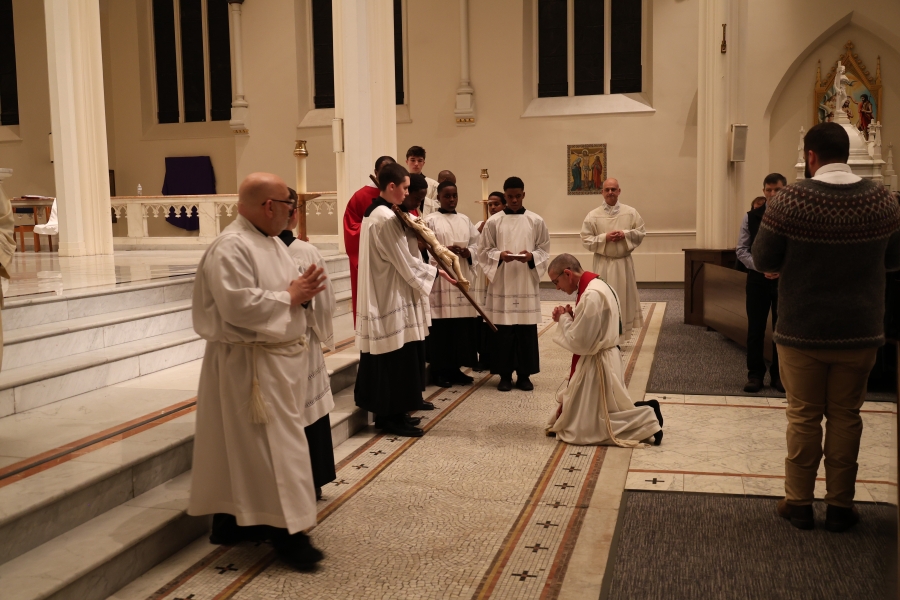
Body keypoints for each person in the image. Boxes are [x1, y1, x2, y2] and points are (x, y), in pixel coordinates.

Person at [753, 122, 900, 532]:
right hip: (860, 332)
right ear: (848, 154)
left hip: (802, 330)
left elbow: (763, 259)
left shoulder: (790, 199)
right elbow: (893, 261)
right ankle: (840, 507)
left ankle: (798, 503)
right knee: (846, 417)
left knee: (803, 417)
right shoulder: (883, 200)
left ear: (810, 157)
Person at [189, 172, 328, 570]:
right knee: (278, 451)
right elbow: (237, 305)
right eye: (289, 205)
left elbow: (285, 291)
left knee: (248, 449)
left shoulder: (268, 242)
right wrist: (291, 295)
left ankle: (234, 523)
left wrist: (301, 291)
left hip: (272, 362)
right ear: (270, 206)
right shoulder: (230, 247)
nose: (291, 214)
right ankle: (290, 536)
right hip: (250, 367)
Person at [355, 162, 456, 437]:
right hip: (388, 294)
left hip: (391, 289)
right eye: (405, 188)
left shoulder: (380, 212)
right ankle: (389, 418)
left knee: (400, 356)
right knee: (392, 358)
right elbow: (405, 262)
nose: (406, 193)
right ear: (391, 186)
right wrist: (437, 273)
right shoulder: (384, 219)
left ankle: (398, 412)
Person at [546, 254, 662, 446]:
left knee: (585, 429)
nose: (557, 287)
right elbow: (593, 329)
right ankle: (645, 410)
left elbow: (581, 342)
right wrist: (573, 317)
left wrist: (564, 319)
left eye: (556, 282)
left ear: (567, 273)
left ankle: (647, 420)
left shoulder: (591, 295)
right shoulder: (599, 285)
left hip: (597, 364)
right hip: (605, 356)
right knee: (600, 412)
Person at [277, 195, 337, 501]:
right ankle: (313, 479)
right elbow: (323, 302)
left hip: (272, 347)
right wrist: (324, 333)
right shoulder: (306, 251)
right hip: (302, 343)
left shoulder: (260, 250)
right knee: (309, 412)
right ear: (294, 215)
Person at [477, 176, 550, 392]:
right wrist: (500, 255)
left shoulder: (535, 221)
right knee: (504, 331)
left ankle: (525, 375)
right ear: (505, 195)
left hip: (526, 282)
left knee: (525, 331)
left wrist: (531, 257)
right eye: (510, 197)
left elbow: (544, 249)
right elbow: (484, 251)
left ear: (524, 194)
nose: (514, 200)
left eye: (518, 196)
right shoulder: (494, 221)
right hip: (503, 283)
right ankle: (505, 376)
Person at [423, 181, 480, 387]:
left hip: (460, 277)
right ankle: (440, 371)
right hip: (442, 283)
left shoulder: (465, 220)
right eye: (447, 196)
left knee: (460, 329)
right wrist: (443, 250)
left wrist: (468, 252)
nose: (451, 199)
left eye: (454, 195)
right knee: (442, 330)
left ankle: (456, 370)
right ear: (438, 197)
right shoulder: (430, 221)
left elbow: (477, 245)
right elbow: (425, 249)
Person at [736, 173, 787, 394]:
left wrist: (781, 269)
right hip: (757, 280)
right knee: (755, 329)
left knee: (781, 330)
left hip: (783, 281)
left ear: (784, 190)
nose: (772, 194)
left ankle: (779, 376)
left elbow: (797, 249)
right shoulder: (751, 217)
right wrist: (762, 267)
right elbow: (741, 250)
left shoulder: (793, 216)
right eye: (768, 189)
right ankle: (755, 375)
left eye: (777, 189)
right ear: (764, 191)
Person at [579, 178, 645, 345]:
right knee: (604, 300)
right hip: (604, 263)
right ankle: (606, 336)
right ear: (602, 192)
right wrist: (605, 238)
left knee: (623, 299)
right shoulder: (593, 215)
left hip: (623, 264)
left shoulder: (630, 212)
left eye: (613, 189)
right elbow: (585, 239)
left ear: (619, 191)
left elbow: (641, 232)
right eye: (607, 190)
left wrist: (626, 235)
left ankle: (620, 337)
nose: (610, 193)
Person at [343, 155, 396, 324]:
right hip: (370, 258)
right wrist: (376, 228)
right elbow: (351, 229)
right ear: (375, 172)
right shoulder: (360, 197)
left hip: (395, 258)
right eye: (383, 171)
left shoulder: (399, 194)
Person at [471, 191, 506, 371]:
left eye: (496, 204)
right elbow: (473, 248)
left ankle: (494, 356)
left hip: (498, 276)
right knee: (481, 317)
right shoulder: (479, 224)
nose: (492, 208)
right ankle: (482, 356)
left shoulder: (505, 223)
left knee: (495, 318)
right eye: (490, 205)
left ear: (504, 205)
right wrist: (477, 233)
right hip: (482, 277)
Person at [405, 146, 439, 216]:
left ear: (423, 163)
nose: (416, 164)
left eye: (420, 161)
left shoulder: (433, 185)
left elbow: (438, 207)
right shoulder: (401, 183)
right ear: (407, 161)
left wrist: (422, 199)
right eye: (413, 160)